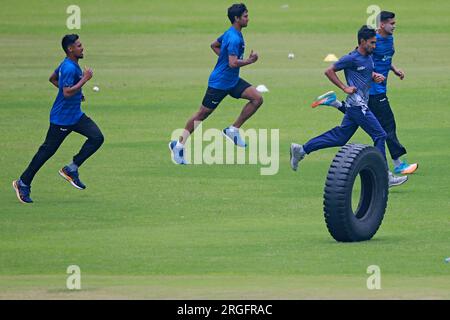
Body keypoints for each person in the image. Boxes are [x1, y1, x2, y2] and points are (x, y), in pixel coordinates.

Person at [290, 25, 408, 187]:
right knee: (380, 135)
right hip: (358, 105)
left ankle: (302, 150)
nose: (375, 46)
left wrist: (374, 76)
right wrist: (344, 88)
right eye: (372, 43)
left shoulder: (368, 56)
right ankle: (384, 176)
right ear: (362, 41)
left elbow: (364, 72)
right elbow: (329, 71)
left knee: (340, 137)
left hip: (358, 105)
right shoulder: (351, 58)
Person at [311, 11, 418, 175]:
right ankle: (396, 164)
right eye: (392, 23)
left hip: (373, 89)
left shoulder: (389, 39)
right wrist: (364, 78)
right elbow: (357, 57)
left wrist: (394, 69)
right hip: (373, 90)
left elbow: (385, 59)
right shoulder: (372, 41)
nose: (394, 26)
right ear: (382, 24)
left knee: (352, 124)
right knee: (385, 126)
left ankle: (335, 103)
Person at [12, 34, 104, 203]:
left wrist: (78, 92)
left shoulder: (68, 64)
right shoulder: (69, 67)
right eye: (78, 45)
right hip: (62, 119)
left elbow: (53, 79)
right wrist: (84, 80)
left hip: (75, 116)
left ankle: (71, 169)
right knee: (46, 152)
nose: (82, 47)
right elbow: (66, 92)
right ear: (70, 49)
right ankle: (23, 183)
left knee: (97, 137)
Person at [169, 3, 263, 164]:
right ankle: (178, 146)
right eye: (245, 16)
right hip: (219, 84)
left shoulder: (232, 33)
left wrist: (224, 59)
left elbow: (214, 45)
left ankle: (232, 130)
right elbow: (233, 63)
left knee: (257, 98)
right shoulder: (233, 37)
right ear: (237, 18)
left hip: (232, 81)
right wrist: (249, 60)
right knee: (201, 115)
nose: (248, 18)